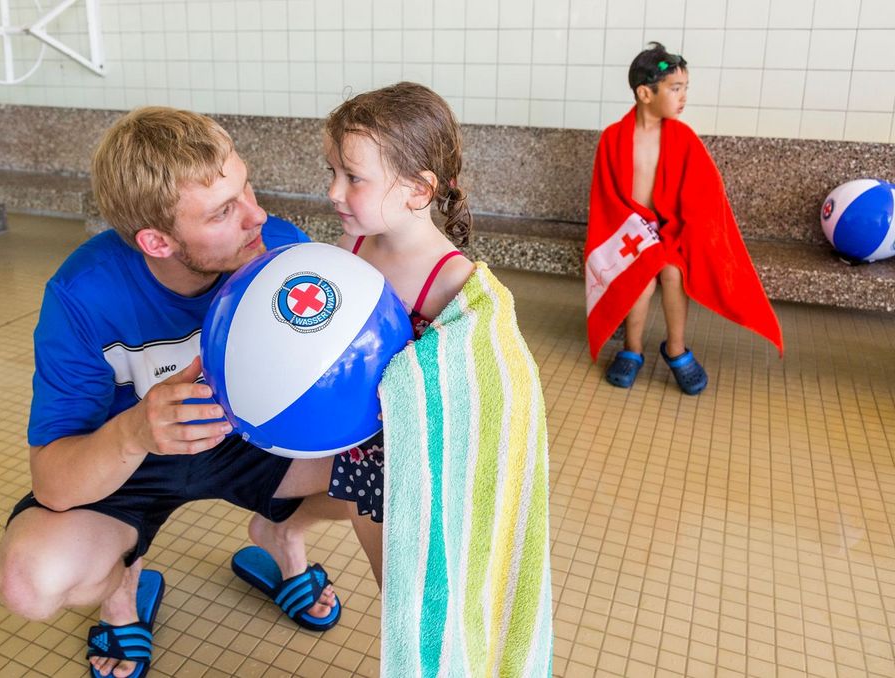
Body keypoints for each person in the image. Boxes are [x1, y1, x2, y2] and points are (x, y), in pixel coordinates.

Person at [0, 107, 346, 678]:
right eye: (223, 211)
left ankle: (282, 534)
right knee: (29, 583)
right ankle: (121, 590)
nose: (257, 215)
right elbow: (53, 481)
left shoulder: (280, 252)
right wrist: (135, 429)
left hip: (249, 445)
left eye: (246, 187)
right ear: (157, 241)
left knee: (395, 467)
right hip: (131, 458)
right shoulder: (82, 296)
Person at [322, 83, 554, 674]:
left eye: (353, 178)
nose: (334, 193)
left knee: (422, 588)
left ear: (419, 190)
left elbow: (493, 386)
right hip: (362, 458)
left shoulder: (453, 283)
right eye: (331, 172)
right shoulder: (353, 246)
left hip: (416, 472)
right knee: (395, 593)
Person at [585, 42, 783, 394]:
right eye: (675, 89)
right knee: (642, 279)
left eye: (685, 89)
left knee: (675, 273)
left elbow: (706, 197)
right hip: (628, 235)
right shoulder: (613, 139)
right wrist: (640, 234)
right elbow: (606, 201)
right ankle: (632, 350)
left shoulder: (684, 138)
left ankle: (675, 348)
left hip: (672, 234)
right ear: (645, 93)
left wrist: (681, 231)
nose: (683, 97)